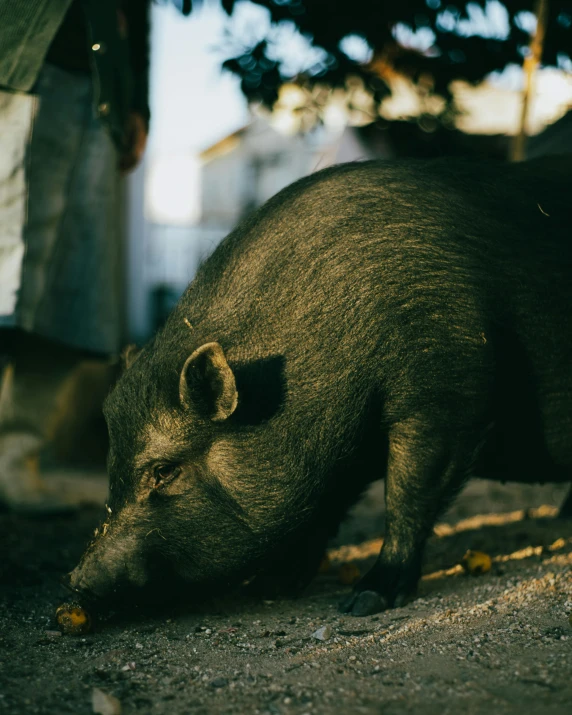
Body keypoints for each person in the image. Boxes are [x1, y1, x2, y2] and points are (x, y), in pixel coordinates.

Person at [0, 0, 150, 511]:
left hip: (99, 93)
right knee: (5, 268)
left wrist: (138, 103)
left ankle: (14, 463)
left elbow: (138, 10)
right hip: (14, 72)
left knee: (69, 286)